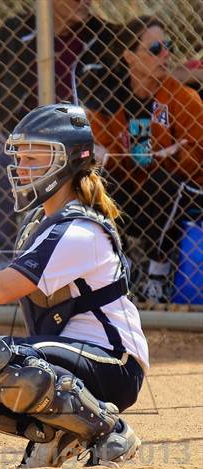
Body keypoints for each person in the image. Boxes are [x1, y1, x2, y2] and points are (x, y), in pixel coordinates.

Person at [0, 103, 148, 469]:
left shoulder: (79, 229)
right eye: (21, 158)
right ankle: (53, 432)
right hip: (72, 358)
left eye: (36, 158)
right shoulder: (43, 222)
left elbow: (2, 288)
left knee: (8, 360)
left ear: (69, 161)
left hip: (115, 363)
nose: (22, 168)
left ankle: (110, 429)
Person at [0, 0, 119, 261]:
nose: (86, 2)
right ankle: (2, 256)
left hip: (79, 138)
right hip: (20, 136)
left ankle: (70, 254)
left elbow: (118, 96)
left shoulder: (105, 36)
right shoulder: (15, 31)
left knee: (82, 168)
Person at [89, 17, 203, 303]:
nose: (166, 55)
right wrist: (100, 153)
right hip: (132, 190)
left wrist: (179, 154)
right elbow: (99, 149)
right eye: (155, 49)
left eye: (169, 47)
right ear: (129, 56)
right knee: (95, 180)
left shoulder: (182, 97)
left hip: (182, 194)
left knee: (162, 180)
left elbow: (197, 157)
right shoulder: (109, 101)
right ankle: (121, 265)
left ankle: (157, 273)